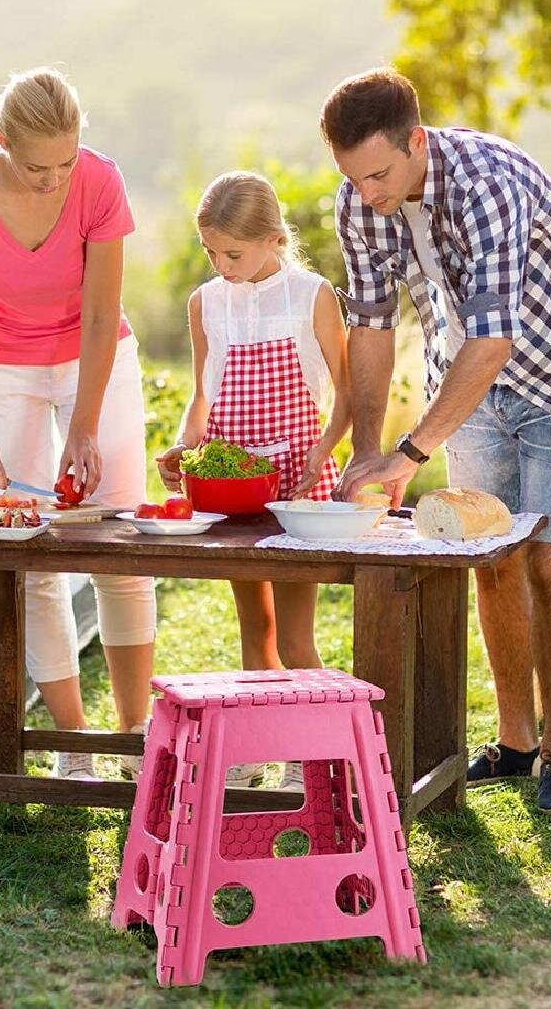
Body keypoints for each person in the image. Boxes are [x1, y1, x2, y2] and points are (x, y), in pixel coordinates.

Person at [321, 68, 551, 815]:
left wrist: (411, 452)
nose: (368, 195)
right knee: (490, 560)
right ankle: (515, 742)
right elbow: (369, 324)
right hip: (463, 388)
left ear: (417, 141)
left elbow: (494, 339)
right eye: (354, 179)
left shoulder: (487, 183)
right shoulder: (361, 201)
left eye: (380, 175)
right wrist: (368, 449)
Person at [0, 67, 156, 779]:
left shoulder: (99, 180)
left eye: (66, 161)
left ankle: (134, 734)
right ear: (2, 142)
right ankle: (72, 743)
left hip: (95, 358)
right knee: (28, 543)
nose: (54, 180)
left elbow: (97, 312)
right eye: (36, 166)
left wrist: (83, 425)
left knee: (121, 535)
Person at [155, 171, 351, 790]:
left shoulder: (311, 295)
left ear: (272, 239)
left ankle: (310, 755)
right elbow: (204, 396)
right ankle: (261, 748)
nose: (221, 265)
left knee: (295, 637)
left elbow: (347, 393)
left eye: (232, 253)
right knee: (254, 629)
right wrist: (187, 449)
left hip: (296, 486)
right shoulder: (206, 302)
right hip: (234, 489)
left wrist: (323, 454)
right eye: (211, 252)